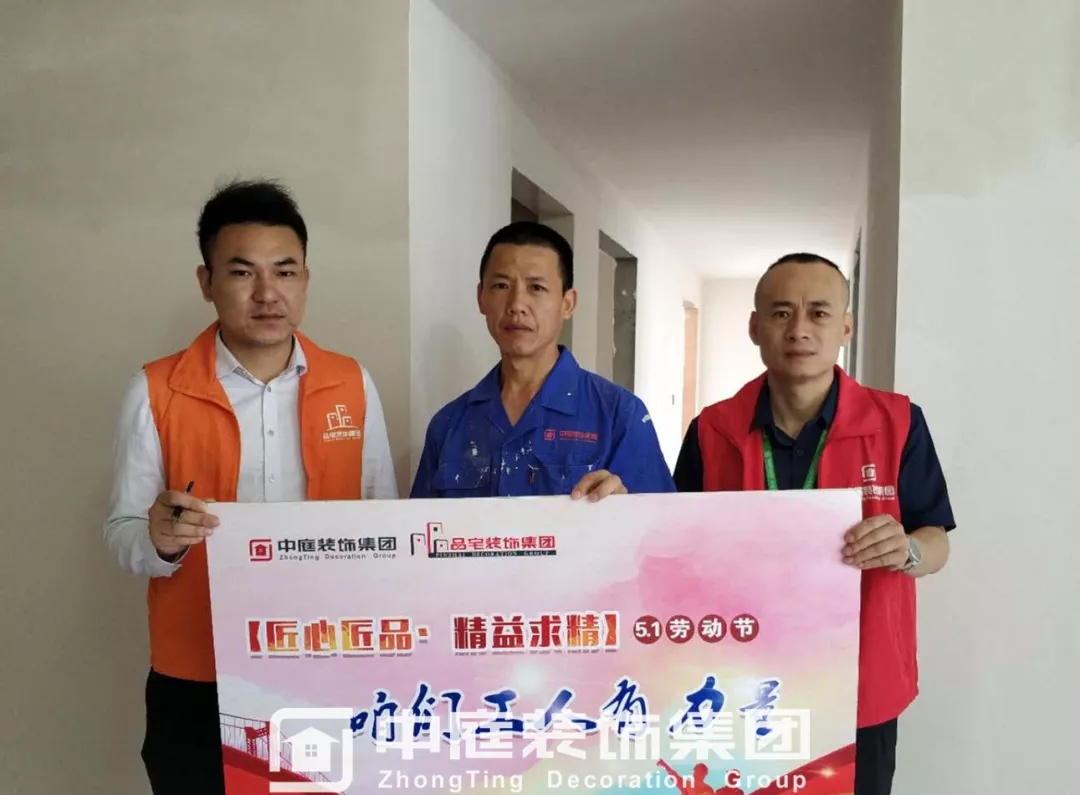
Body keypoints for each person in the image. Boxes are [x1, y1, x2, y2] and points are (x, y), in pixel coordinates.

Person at [103, 179, 398, 795]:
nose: (268, 293)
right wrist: (159, 540)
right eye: (242, 273)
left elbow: (384, 522)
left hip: (322, 661)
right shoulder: (156, 390)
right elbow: (124, 533)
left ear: (306, 279)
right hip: (197, 672)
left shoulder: (350, 384)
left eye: (285, 271)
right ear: (206, 282)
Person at [673, 253, 955, 795]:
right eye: (781, 313)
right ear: (754, 327)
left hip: (860, 686)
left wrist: (907, 550)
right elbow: (674, 547)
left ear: (845, 327)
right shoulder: (713, 430)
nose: (799, 329)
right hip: (740, 680)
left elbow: (936, 540)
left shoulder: (897, 423)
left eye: (819, 313)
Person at [410, 221, 674, 500]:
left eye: (536, 287)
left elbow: (664, 524)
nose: (516, 305)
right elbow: (421, 525)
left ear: (567, 303)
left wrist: (627, 509)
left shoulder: (618, 415)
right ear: (481, 298)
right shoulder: (449, 424)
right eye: (501, 285)